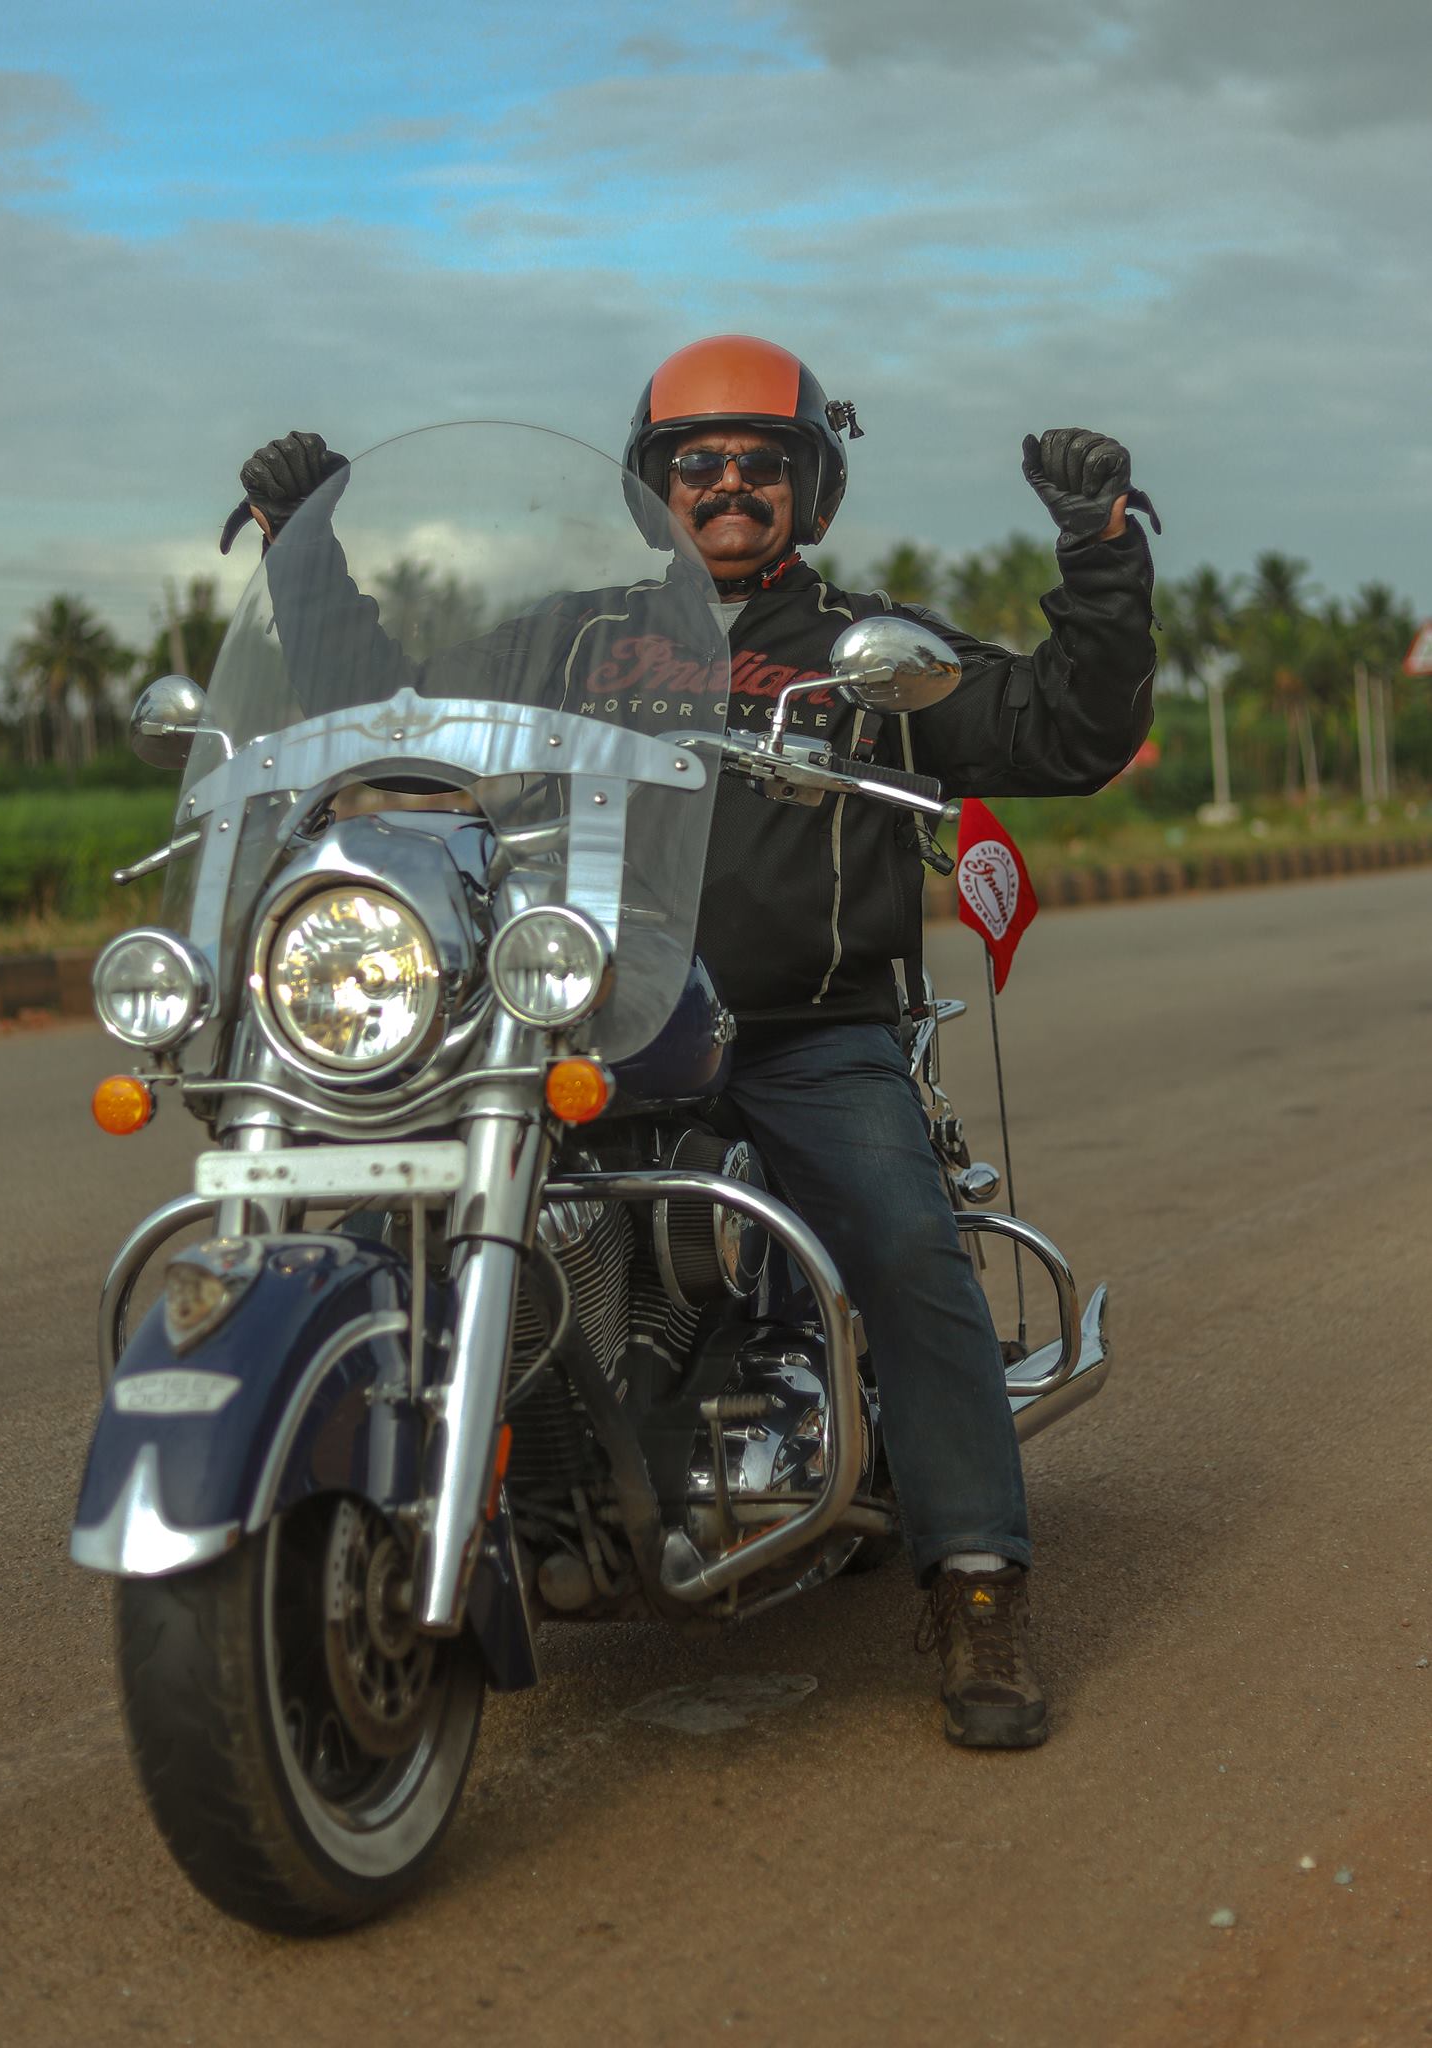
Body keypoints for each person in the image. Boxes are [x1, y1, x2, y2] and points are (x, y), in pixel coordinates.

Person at [224, 334, 1158, 1748]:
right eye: (697, 464)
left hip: (804, 1030)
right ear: (654, 488)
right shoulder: (570, 642)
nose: (728, 487)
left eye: (760, 465)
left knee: (905, 1247)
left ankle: (974, 1582)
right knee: (401, 1189)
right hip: (586, 1014)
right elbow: (386, 714)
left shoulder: (867, 651)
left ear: (809, 490)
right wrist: (304, 551)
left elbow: (1064, 728)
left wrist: (1096, 553)